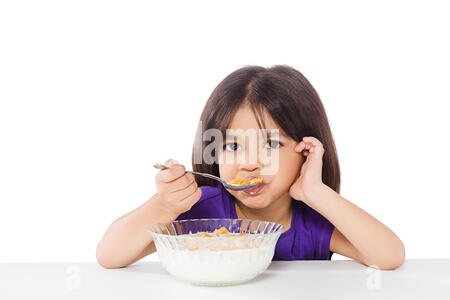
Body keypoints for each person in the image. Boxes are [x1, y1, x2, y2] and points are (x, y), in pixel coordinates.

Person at [96, 65, 405, 270]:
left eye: (271, 145)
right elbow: (109, 256)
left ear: (305, 151)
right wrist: (162, 206)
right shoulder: (202, 209)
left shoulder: (314, 221)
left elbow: (390, 257)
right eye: (232, 146)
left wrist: (315, 191)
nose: (249, 162)